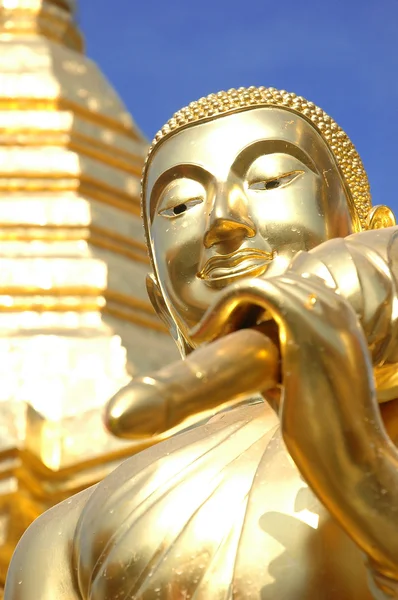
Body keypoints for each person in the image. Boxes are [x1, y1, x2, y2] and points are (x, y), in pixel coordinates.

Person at [5, 86, 398, 599]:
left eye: (272, 179)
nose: (223, 223)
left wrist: (356, 465)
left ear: (373, 228)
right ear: (158, 299)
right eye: (181, 206)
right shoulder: (68, 532)